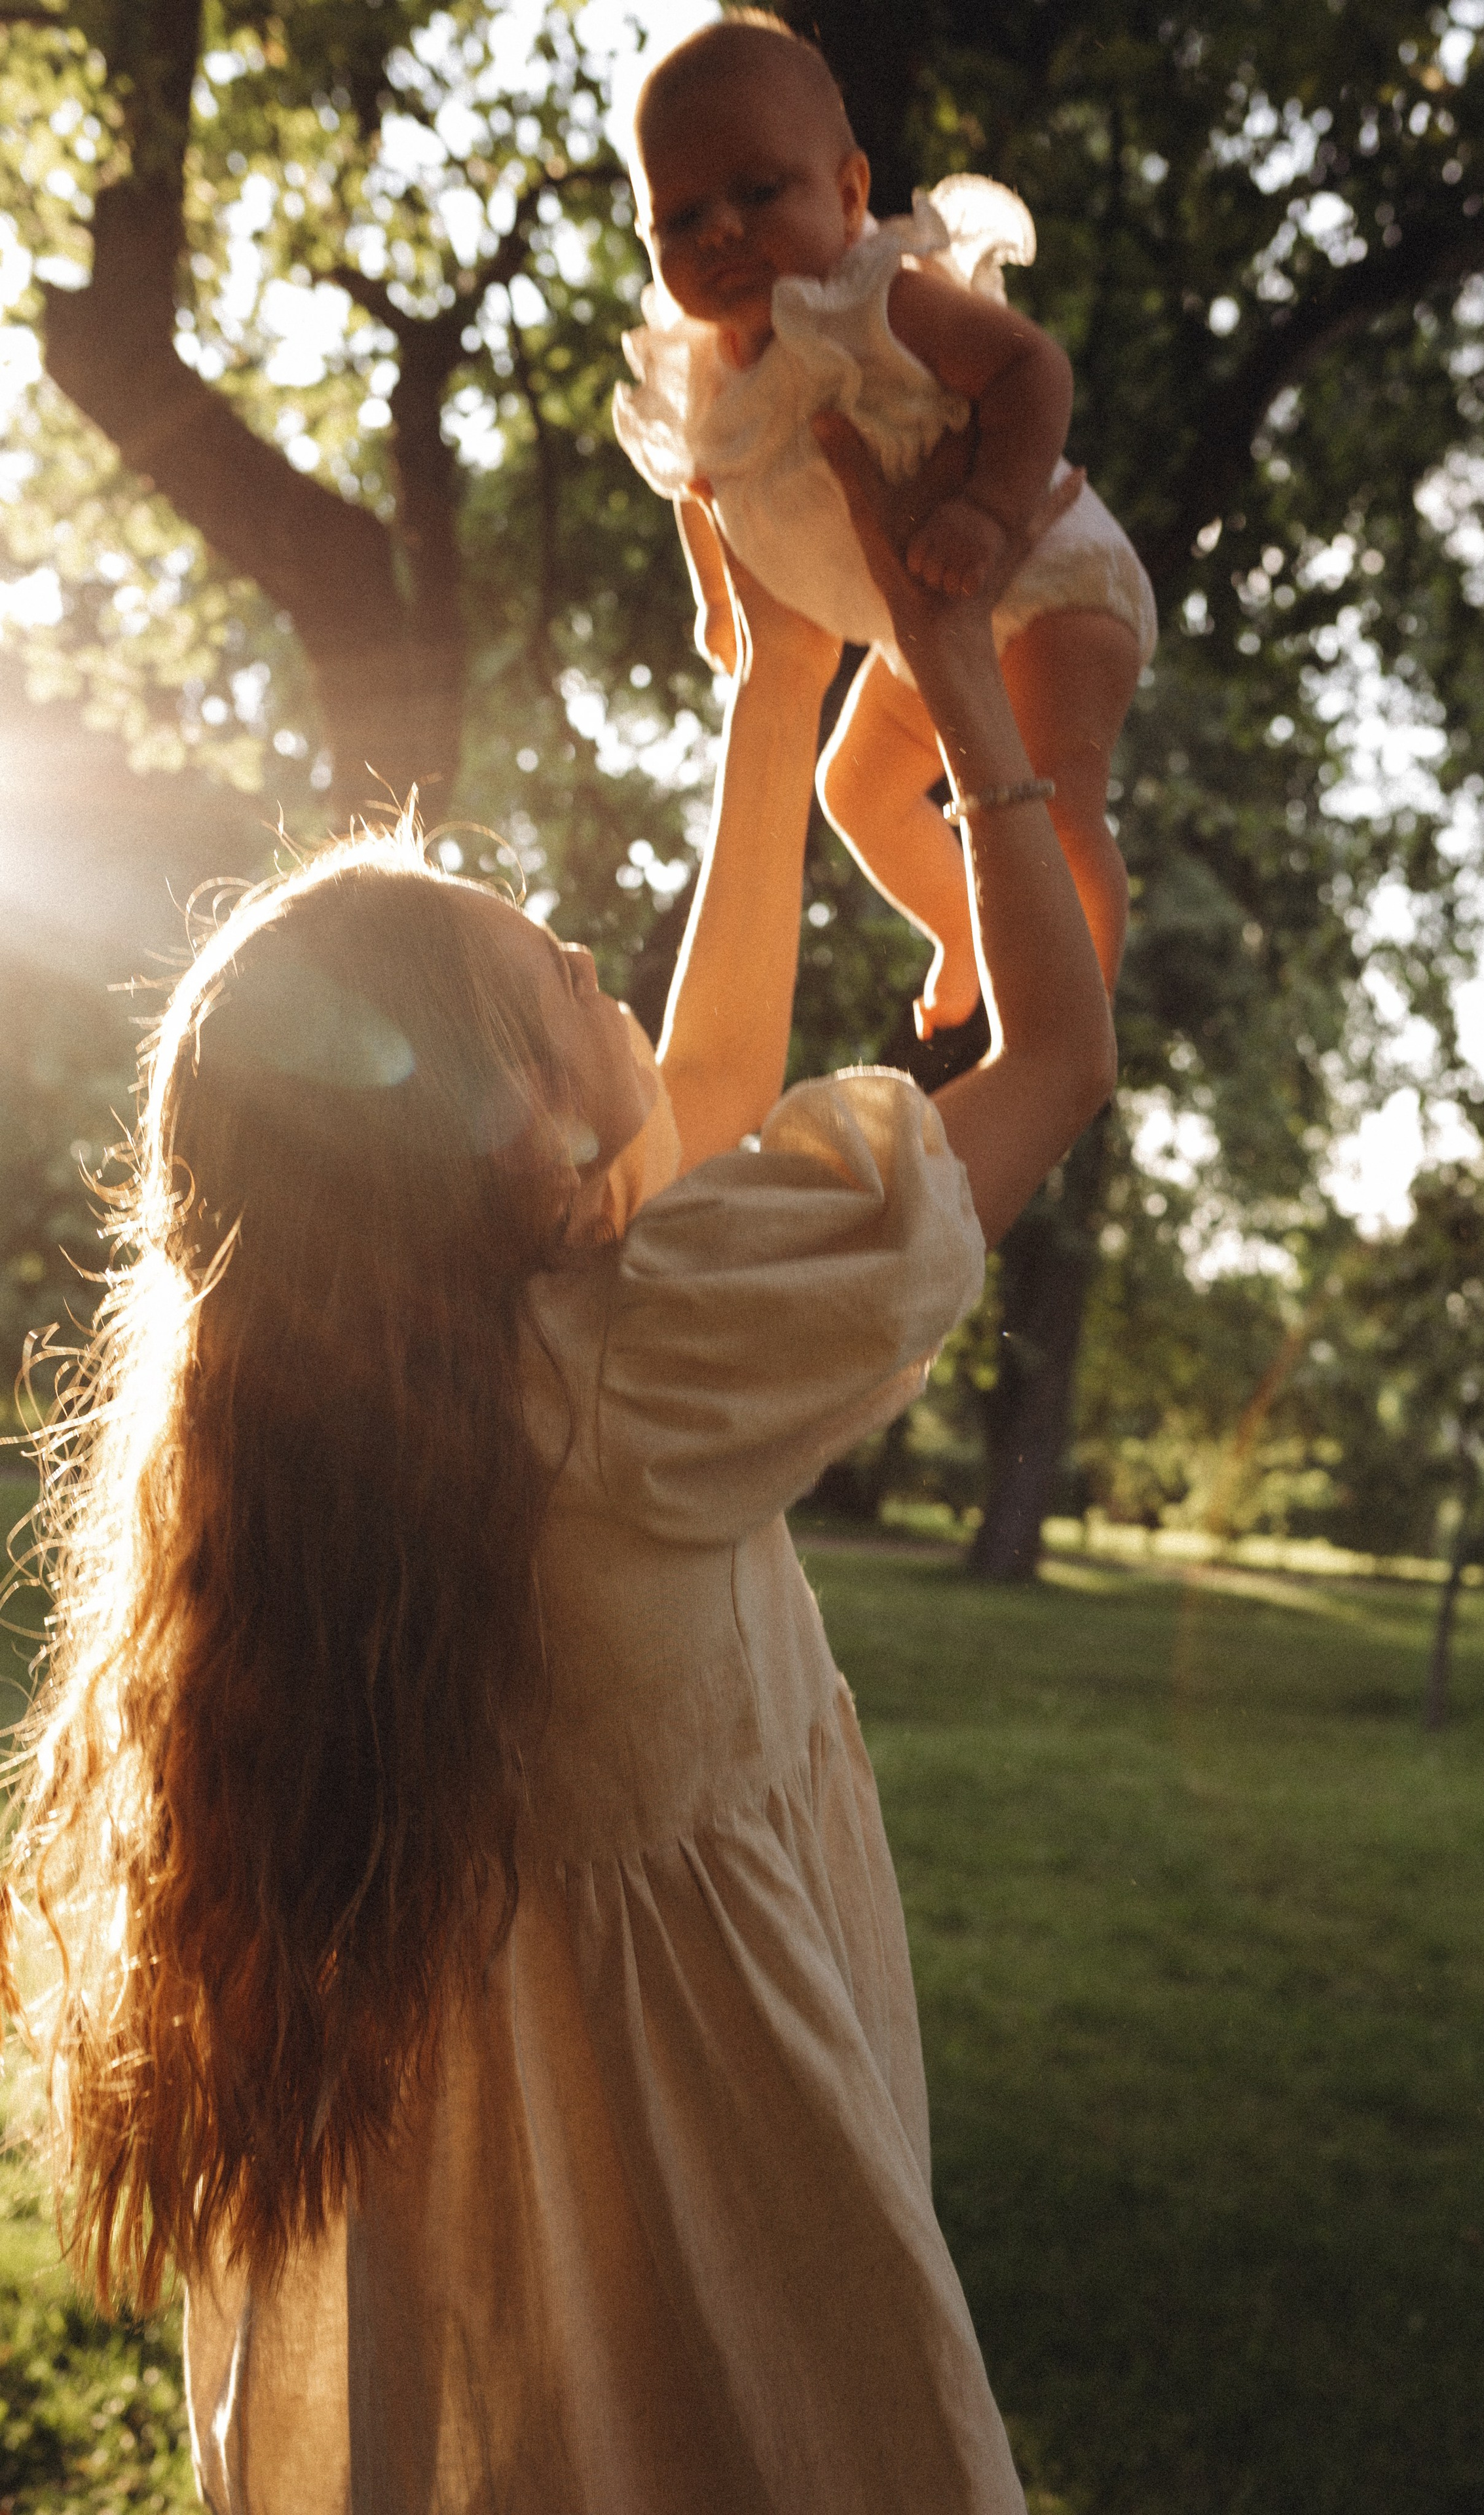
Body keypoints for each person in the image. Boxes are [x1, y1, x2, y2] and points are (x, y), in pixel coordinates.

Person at [1, 410, 1117, 2513]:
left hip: (489, 2287)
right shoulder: (629, 1368)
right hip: (719, 2264)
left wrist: (782, 698)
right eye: (549, 973)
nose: (592, 961)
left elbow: (693, 1088)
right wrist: (959, 682)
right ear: (503, 1146)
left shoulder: (361, 1408)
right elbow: (1052, 1061)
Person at [613, 10, 1157, 1041]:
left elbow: (1030, 368)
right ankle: (961, 924)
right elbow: (701, 485)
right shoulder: (701, 374)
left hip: (1050, 580)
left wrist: (991, 512)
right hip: (925, 622)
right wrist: (719, 596)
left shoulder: (878, 302)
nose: (720, 228)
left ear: (851, 193)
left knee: (1053, 806)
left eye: (759, 191)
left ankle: (1079, 1019)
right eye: (680, 218)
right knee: (853, 787)